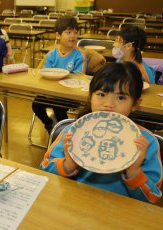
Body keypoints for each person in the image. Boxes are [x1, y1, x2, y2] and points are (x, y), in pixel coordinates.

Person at [40, 62, 162, 203]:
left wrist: (134, 172)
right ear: (90, 96)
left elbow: (153, 197)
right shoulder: (73, 133)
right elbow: (44, 168)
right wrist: (68, 165)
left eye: (121, 97)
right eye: (101, 94)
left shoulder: (145, 143)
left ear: (135, 104)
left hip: (122, 213)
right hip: (75, 204)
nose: (109, 104)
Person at [32, 15, 87, 133]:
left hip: (70, 94)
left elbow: (78, 77)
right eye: (68, 32)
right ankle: (49, 124)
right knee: (36, 104)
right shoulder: (52, 54)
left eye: (75, 32)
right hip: (52, 92)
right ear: (58, 35)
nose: (73, 36)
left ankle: (66, 132)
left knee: (59, 108)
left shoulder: (79, 55)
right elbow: (46, 73)